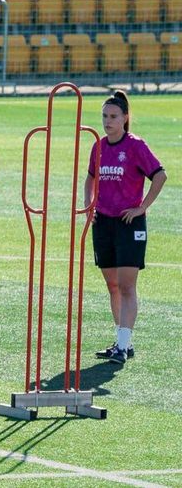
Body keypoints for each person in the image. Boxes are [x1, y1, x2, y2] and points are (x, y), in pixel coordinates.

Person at [87, 90, 166, 364]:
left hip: (129, 223)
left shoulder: (135, 146)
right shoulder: (98, 146)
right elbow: (90, 178)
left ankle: (122, 345)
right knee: (112, 285)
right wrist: (89, 206)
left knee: (126, 286)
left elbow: (160, 175)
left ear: (125, 118)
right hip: (103, 222)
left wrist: (142, 207)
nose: (107, 121)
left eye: (113, 116)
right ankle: (122, 341)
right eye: (104, 116)